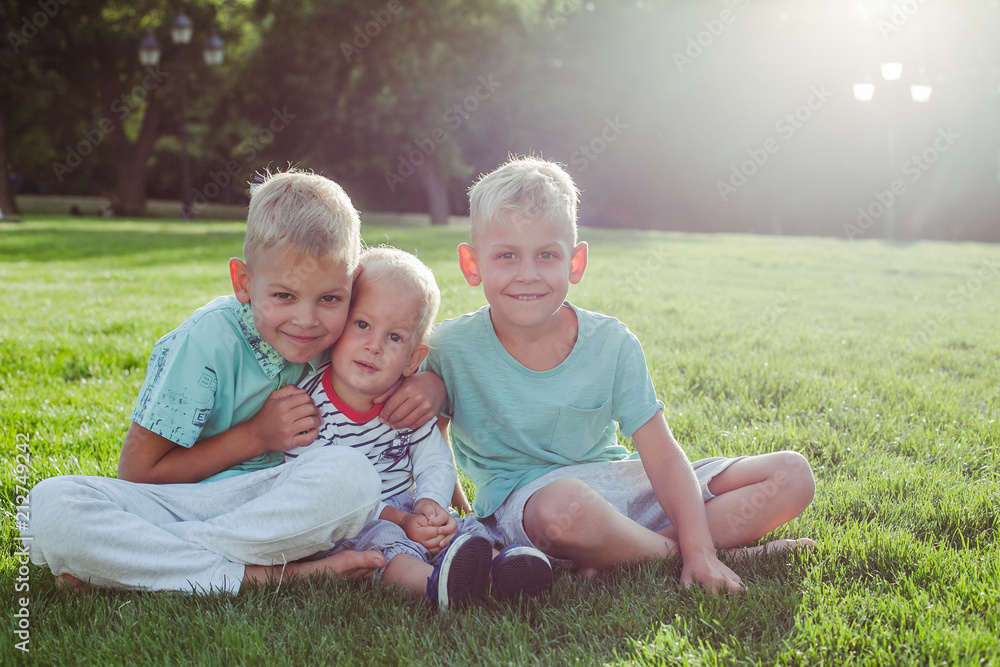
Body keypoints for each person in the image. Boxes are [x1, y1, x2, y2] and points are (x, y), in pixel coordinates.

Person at [20, 170, 441, 594]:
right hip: (187, 504)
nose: (307, 321)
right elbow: (136, 473)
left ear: (351, 289)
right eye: (283, 296)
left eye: (329, 299)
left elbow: (411, 335)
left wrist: (429, 386)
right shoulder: (205, 343)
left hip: (284, 506)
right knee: (49, 506)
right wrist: (256, 437)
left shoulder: (344, 336)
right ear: (243, 282)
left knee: (355, 478)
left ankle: (147, 563)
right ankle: (269, 576)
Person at [425, 156, 816, 595]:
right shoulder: (447, 347)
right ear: (472, 265)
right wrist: (460, 516)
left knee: (792, 474)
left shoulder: (612, 342)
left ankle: (635, 553)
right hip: (534, 510)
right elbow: (427, 443)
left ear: (575, 262)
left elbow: (663, 456)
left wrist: (698, 545)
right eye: (507, 256)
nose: (528, 274)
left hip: (622, 488)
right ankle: (683, 553)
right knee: (565, 508)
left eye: (547, 255)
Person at [284, 246, 552, 610]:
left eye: (394, 337)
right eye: (362, 325)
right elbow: (319, 495)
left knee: (462, 528)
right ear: (338, 327)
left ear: (413, 358)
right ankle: (433, 584)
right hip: (354, 520)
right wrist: (402, 519)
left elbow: (434, 461)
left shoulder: (406, 403)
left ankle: (498, 568)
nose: (374, 346)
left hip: (410, 506)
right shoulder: (309, 407)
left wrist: (429, 506)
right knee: (387, 546)